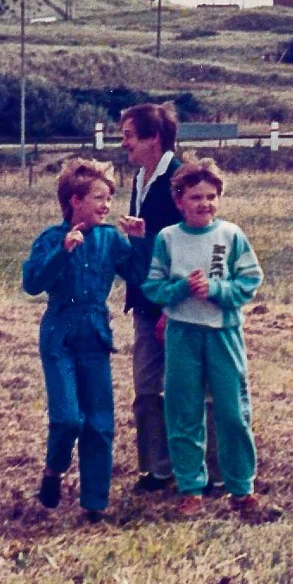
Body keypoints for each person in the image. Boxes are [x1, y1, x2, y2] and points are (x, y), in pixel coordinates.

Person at [141, 156, 265, 519]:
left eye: (211, 196)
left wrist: (216, 289)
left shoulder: (231, 235)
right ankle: (190, 487)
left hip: (223, 333)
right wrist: (180, 289)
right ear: (179, 200)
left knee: (232, 411)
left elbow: (250, 280)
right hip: (182, 333)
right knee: (183, 410)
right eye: (195, 197)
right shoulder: (168, 238)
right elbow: (153, 286)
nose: (204, 204)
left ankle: (241, 487)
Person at [21, 157, 143, 522]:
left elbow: (138, 276)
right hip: (59, 333)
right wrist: (63, 251)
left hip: (95, 332)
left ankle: (94, 504)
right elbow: (32, 283)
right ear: (75, 200)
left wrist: (139, 243)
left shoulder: (110, 239)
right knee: (68, 418)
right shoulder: (50, 238)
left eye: (109, 198)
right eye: (99, 198)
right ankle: (53, 470)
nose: (107, 206)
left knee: (100, 422)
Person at [117, 103, 220, 496]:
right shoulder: (139, 178)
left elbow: (192, 246)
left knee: (194, 388)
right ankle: (156, 471)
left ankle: (210, 470)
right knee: (147, 388)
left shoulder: (179, 178)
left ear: (154, 137)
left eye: (129, 135)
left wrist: (171, 308)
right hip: (147, 302)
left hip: (180, 306)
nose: (124, 143)